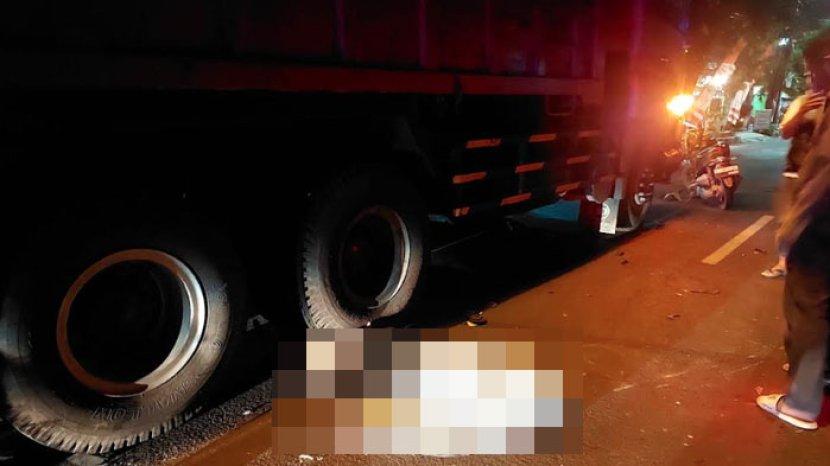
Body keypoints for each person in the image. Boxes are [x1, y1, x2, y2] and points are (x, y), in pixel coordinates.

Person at [756, 29, 830, 430]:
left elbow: (823, 174)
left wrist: (792, 226)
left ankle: (802, 403)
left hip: (821, 223)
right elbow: (788, 131)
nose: (811, 76)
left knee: (807, 305)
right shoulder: (811, 101)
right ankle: (817, 377)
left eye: (813, 67)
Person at [761, 84, 827, 278]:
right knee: (787, 220)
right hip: (795, 171)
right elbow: (785, 132)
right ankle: (783, 262)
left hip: (821, 177)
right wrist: (802, 111)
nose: (813, 79)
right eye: (810, 75)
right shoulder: (801, 102)